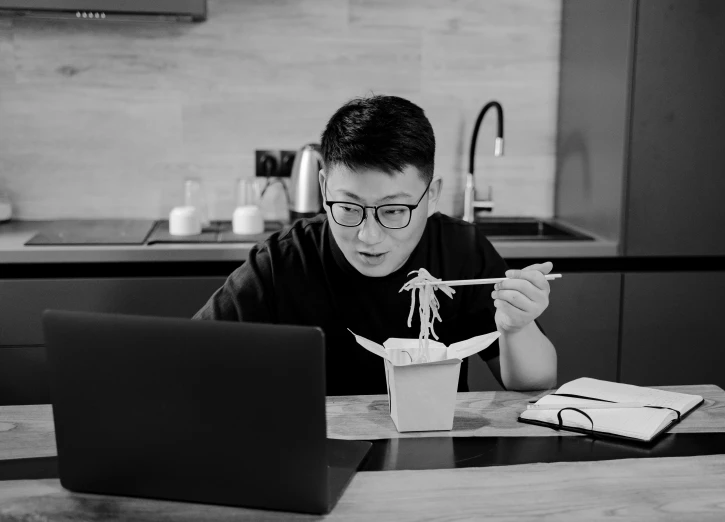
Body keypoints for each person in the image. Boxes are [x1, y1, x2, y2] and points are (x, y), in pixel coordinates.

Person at [193, 95, 557, 395]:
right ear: (323, 189)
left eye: (395, 210)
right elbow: (189, 360)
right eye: (349, 208)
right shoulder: (283, 261)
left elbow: (537, 383)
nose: (369, 235)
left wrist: (516, 328)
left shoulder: (461, 249)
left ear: (432, 196)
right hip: (315, 455)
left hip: (432, 455)